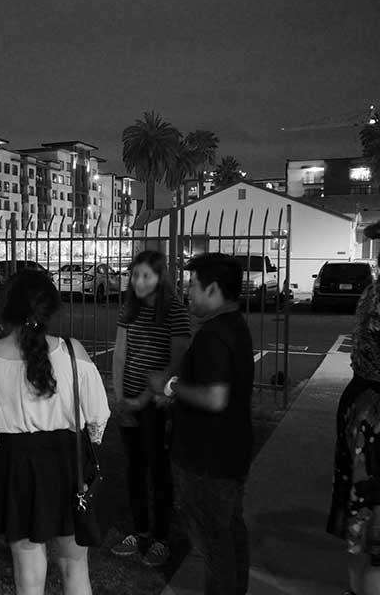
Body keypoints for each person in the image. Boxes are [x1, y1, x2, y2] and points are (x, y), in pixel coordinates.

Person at [0, 269, 110, 594]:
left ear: (4, 308)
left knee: (28, 569)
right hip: (68, 462)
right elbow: (98, 418)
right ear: (49, 307)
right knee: (75, 566)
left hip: (16, 466)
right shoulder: (73, 352)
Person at [147, 252, 254, 595]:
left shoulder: (214, 336)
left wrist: (172, 387)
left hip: (206, 459)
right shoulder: (235, 326)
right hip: (229, 453)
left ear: (214, 290)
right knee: (230, 534)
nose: (187, 291)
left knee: (213, 544)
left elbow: (215, 398)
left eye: (193, 285)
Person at [110, 250, 191, 566]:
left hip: (157, 404)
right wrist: (121, 398)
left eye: (146, 275)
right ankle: (139, 530)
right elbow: (120, 354)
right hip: (129, 399)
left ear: (160, 278)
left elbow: (176, 361)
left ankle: (161, 538)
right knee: (134, 468)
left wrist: (142, 399)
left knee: (159, 469)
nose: (138, 281)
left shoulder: (174, 311)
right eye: (134, 275)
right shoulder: (128, 309)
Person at [328, 220, 380, 595]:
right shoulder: (373, 291)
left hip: (374, 413)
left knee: (369, 508)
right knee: (360, 505)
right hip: (364, 405)